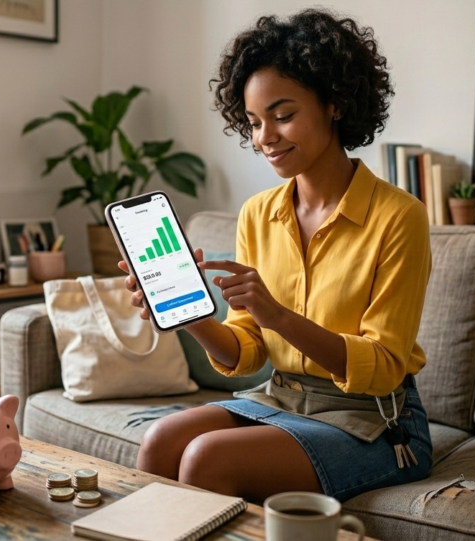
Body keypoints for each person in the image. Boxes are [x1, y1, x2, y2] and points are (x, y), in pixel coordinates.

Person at [119, 8, 434, 503]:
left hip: (378, 419)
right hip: (282, 397)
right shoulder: (257, 213)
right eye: (253, 122)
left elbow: (386, 364)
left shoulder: (399, 216)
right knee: (162, 440)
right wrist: (189, 314)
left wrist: (279, 317)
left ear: (334, 104)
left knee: (207, 457)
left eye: (283, 116)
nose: (265, 137)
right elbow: (246, 352)